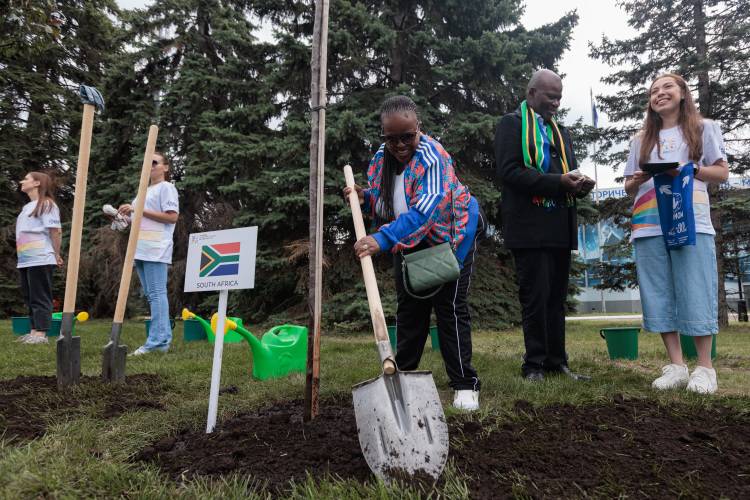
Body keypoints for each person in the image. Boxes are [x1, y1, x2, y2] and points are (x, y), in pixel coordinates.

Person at [343, 95, 487, 411]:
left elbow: (424, 213)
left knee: (448, 306)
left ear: (418, 128)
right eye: (391, 138)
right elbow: (387, 204)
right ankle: (402, 377)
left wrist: (381, 239)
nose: (400, 144)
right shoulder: (381, 160)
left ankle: (465, 385)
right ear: (383, 136)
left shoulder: (434, 158)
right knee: (410, 307)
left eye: (407, 136)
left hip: (450, 235)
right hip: (409, 238)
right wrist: (363, 198)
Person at [624, 73, 728, 394]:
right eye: (654, 90)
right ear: (651, 103)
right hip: (649, 224)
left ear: (683, 93)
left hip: (690, 221)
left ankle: (705, 369)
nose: (660, 93)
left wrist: (690, 169)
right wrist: (641, 176)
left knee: (695, 288)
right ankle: (677, 367)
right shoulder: (640, 141)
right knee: (659, 295)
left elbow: (721, 173)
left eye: (667, 86)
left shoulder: (703, 128)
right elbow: (629, 185)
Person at [494, 69, 596, 382]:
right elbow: (509, 172)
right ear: (531, 94)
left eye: (559, 97)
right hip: (529, 227)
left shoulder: (560, 131)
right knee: (535, 299)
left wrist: (580, 185)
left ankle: (557, 362)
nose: (555, 102)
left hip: (559, 226)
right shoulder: (511, 124)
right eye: (550, 96)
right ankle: (533, 364)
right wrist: (557, 182)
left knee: (555, 299)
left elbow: (569, 171)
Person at [110, 152, 179, 355]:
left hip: (155, 247)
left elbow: (172, 217)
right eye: (146, 163)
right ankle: (161, 340)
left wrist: (138, 210)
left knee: (157, 294)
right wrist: (120, 217)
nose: (150, 165)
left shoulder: (166, 187)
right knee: (151, 295)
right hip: (140, 248)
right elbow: (137, 218)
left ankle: (157, 343)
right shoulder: (144, 190)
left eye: (154, 162)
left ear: (165, 168)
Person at [15, 172, 63, 344]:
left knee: (40, 296)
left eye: (26, 179)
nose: (22, 181)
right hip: (25, 259)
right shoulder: (27, 207)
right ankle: (33, 332)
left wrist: (55, 254)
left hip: (41, 257)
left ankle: (41, 335)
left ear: (37, 183)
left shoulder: (47, 204)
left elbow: (56, 231)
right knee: (29, 297)